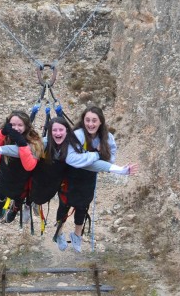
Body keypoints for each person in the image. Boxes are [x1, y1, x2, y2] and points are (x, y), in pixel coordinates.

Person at [0, 116, 134, 228]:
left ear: (67, 132)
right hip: (37, 179)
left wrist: (120, 170)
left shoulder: (72, 151)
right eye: (54, 130)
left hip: (51, 186)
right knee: (24, 189)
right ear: (50, 133)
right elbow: (16, 150)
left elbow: (93, 165)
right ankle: (22, 204)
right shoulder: (42, 144)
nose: (57, 134)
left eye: (61, 130)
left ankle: (29, 204)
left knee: (40, 197)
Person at [55, 106, 139, 253]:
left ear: (100, 122)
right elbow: (71, 158)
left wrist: (103, 158)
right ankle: (59, 233)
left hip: (88, 177)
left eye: (94, 120)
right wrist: (96, 155)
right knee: (64, 204)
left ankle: (77, 235)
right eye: (87, 120)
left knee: (83, 205)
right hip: (71, 175)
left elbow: (111, 155)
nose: (90, 124)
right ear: (83, 121)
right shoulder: (78, 134)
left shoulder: (107, 137)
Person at [0, 110, 44, 223]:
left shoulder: (34, 140)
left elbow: (29, 166)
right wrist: (2, 132)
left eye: (20, 125)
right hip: (5, 172)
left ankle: (15, 208)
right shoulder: (5, 135)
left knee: (19, 196)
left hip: (23, 176)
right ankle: (1, 200)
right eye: (12, 125)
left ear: (26, 126)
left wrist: (21, 143)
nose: (16, 128)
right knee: (2, 190)